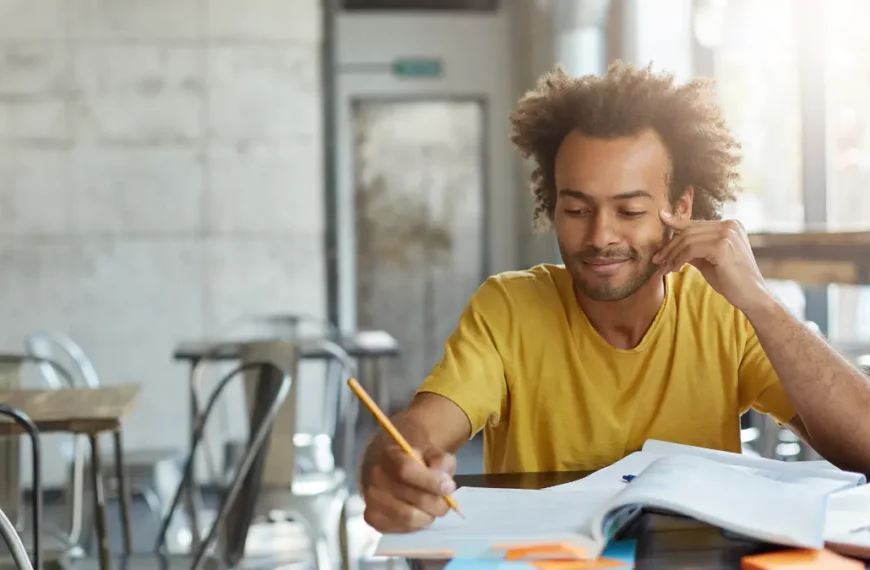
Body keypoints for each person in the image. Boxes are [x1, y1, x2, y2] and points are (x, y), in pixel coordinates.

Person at [358, 61, 870, 533]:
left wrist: (760, 301)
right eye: (577, 210)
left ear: (681, 206)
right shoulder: (508, 308)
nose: (601, 236)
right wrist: (394, 469)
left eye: (629, 211)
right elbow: (421, 433)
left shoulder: (725, 311)